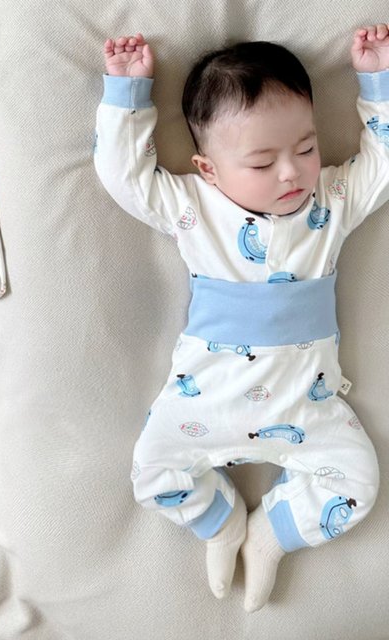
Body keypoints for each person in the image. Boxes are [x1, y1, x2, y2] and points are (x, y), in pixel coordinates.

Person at [94, 26, 389, 612]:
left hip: (307, 404)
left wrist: (377, 82)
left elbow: (382, 165)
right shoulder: (193, 207)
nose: (291, 173)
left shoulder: (330, 202)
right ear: (208, 169)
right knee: (153, 475)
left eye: (305, 148)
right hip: (206, 400)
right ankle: (222, 521)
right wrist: (128, 96)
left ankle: (271, 534)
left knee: (359, 484)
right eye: (262, 162)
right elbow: (125, 177)